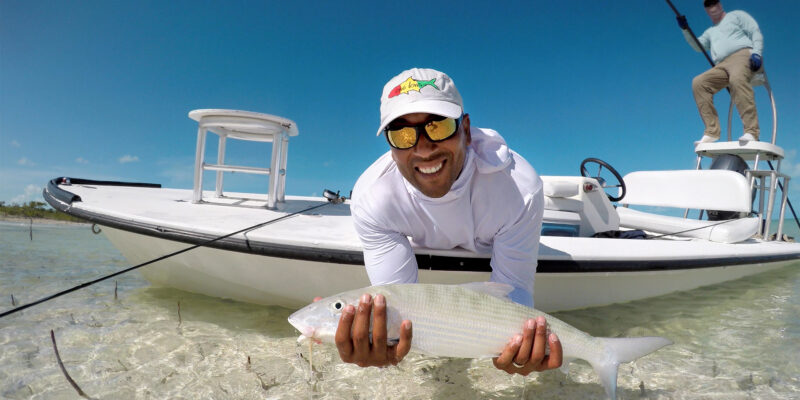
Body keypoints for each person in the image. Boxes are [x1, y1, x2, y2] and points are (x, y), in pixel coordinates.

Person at [331, 67, 562, 375]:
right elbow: (401, 301)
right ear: (390, 144)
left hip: (492, 244)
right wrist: (384, 341)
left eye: (438, 127)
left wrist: (523, 341)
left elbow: (513, 293)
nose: (424, 148)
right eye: (402, 135)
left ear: (465, 129)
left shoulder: (517, 188)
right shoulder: (373, 197)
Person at [676, 0, 763, 145]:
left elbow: (755, 31)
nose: (712, 7)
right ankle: (712, 132)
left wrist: (757, 53)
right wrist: (685, 30)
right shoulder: (710, 31)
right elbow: (698, 46)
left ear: (720, 5)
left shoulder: (736, 16)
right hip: (721, 65)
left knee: (736, 79)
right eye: (708, 6)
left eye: (714, 3)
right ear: (707, 11)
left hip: (741, 55)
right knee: (699, 83)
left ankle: (751, 131)